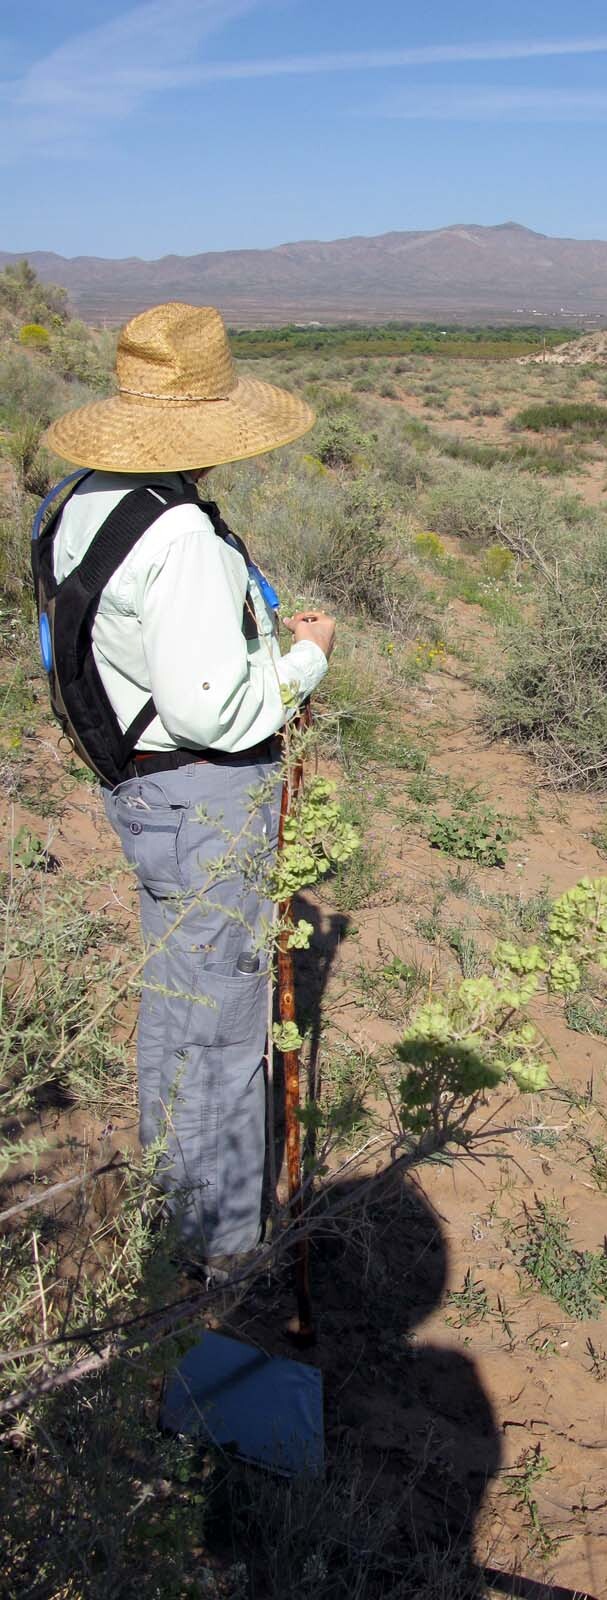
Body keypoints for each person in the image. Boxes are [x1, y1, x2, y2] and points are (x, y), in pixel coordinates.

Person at [41, 301, 335, 1276]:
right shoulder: (177, 534)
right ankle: (218, 1261)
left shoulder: (76, 502)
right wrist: (305, 658)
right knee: (219, 1030)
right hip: (203, 799)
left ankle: (169, 1212)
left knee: (178, 1009)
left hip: (143, 793)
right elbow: (214, 708)